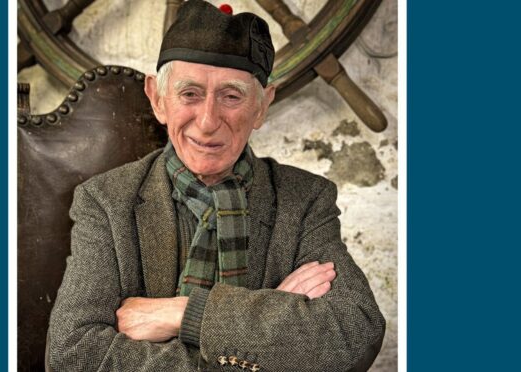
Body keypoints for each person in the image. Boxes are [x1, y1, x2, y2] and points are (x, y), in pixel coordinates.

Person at [47, 1, 385, 371]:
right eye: (189, 94)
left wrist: (185, 314)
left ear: (261, 106)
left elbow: (354, 334)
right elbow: (71, 356)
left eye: (231, 96)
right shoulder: (107, 202)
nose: (207, 122)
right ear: (158, 99)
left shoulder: (305, 200)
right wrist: (266, 325)